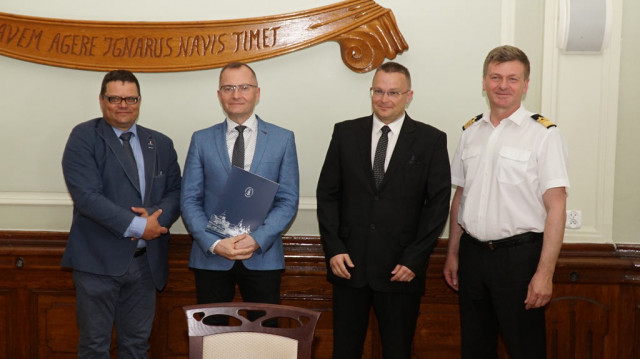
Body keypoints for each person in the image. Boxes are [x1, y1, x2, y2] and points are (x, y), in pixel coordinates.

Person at [316, 62, 451, 358]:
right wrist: (334, 248)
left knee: (397, 350)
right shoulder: (345, 133)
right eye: (378, 91)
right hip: (348, 265)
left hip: (400, 270)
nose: (384, 99)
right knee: (345, 350)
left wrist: (414, 259)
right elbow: (327, 195)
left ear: (408, 95)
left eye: (393, 92)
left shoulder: (431, 140)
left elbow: (438, 206)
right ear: (371, 92)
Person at [443, 45, 570, 359]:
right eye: (495, 77)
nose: (503, 85)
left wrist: (545, 274)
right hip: (472, 256)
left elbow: (557, 206)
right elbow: (460, 196)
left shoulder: (544, 135)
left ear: (526, 85)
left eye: (512, 79)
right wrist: (453, 253)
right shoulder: (470, 132)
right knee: (475, 347)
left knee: (525, 348)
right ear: (484, 81)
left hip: (520, 259)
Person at [61, 69, 182, 358]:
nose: (123, 105)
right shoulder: (84, 136)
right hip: (97, 264)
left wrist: (155, 218)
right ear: (102, 100)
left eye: (130, 98)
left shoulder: (160, 143)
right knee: (94, 347)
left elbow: (177, 192)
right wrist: (140, 226)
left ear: (139, 101)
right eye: (115, 98)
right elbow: (87, 197)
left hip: (144, 267)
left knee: (137, 347)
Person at [181, 62, 299, 311]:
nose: (236, 95)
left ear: (257, 93)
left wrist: (257, 239)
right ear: (219, 95)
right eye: (228, 88)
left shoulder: (283, 139)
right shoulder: (201, 139)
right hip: (211, 257)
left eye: (244, 87)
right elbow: (190, 199)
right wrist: (214, 243)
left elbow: (288, 199)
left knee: (265, 337)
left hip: (262, 257)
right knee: (211, 337)